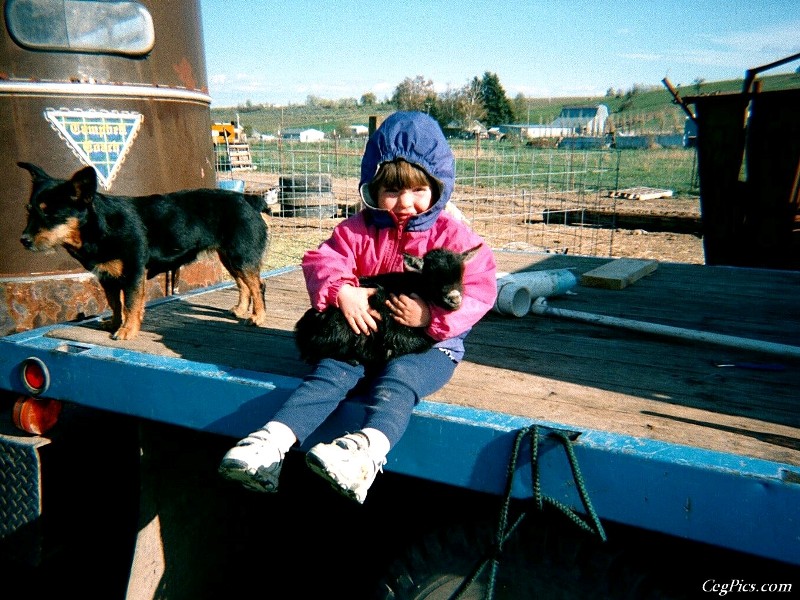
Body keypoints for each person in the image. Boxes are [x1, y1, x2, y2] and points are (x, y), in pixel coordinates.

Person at [218, 111, 497, 504]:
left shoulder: (454, 236)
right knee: (330, 372)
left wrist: (432, 317)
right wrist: (341, 292)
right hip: (366, 336)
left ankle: (365, 454)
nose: (405, 204)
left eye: (419, 190)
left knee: (400, 382)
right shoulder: (359, 229)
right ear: (373, 187)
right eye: (392, 191)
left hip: (430, 345)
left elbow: (481, 289)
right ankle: (270, 444)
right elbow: (323, 260)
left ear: (439, 186)